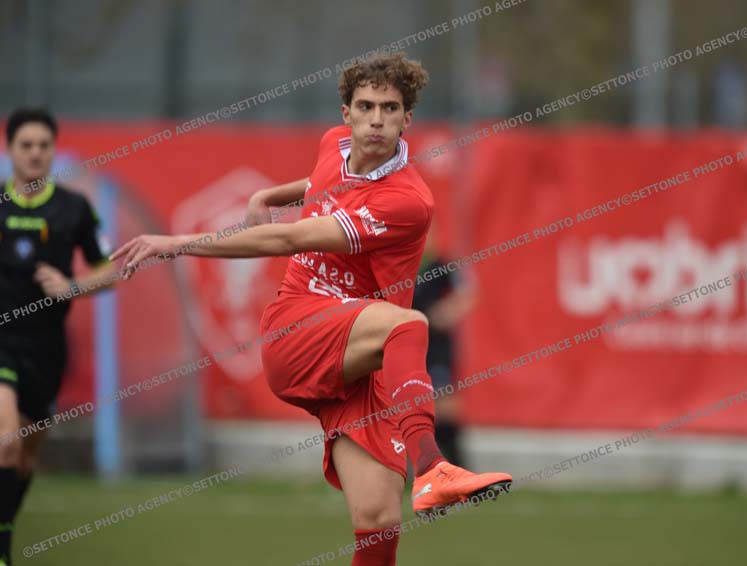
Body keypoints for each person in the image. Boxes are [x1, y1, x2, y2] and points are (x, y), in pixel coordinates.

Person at [112, 53, 511, 565]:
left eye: (389, 108)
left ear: (407, 119)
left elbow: (291, 234)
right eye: (365, 106)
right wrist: (260, 199)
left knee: (379, 519)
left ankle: (430, 477)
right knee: (409, 324)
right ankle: (433, 466)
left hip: (359, 364)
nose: (376, 119)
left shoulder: (408, 200)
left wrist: (185, 238)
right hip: (296, 329)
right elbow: (313, 193)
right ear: (346, 113)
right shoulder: (333, 144)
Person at [0, 108, 116, 566]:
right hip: (3, 342)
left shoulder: (74, 208)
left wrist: (72, 286)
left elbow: (110, 271)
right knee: (6, 440)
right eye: (25, 145)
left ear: (53, 150)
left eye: (43, 146)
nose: (34, 154)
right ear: (10, 150)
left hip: (47, 348)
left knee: (26, 457)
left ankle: (6, 524)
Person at [412, 224, 477, 467]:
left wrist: (446, 312)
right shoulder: (402, 267)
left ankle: (457, 465)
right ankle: (423, 465)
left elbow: (467, 293)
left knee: (444, 405)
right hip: (409, 346)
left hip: (436, 347)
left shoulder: (441, 266)